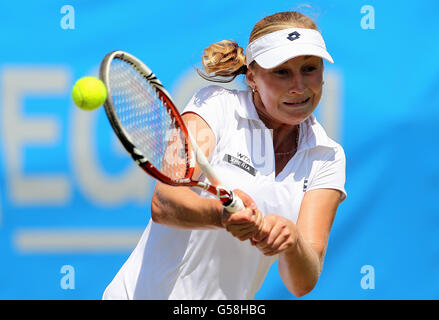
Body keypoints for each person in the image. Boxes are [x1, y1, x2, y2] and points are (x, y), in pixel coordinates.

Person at [103, 10, 347, 300]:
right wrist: (221, 215)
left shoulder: (328, 156)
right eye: (282, 72)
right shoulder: (214, 107)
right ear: (253, 77)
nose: (299, 86)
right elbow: (164, 202)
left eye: (309, 69)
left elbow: (302, 283)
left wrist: (292, 241)